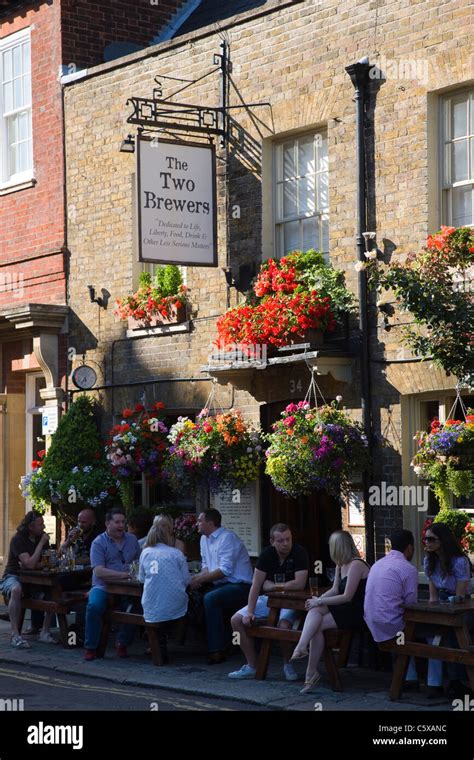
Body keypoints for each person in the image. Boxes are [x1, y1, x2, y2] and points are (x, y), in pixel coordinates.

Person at [291, 530, 370, 693]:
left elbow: (347, 596)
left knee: (316, 616)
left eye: (331, 546)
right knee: (315, 617)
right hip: (343, 608)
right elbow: (334, 589)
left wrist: (319, 601)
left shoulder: (356, 564)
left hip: (357, 611)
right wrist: (317, 600)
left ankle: (302, 650)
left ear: (338, 547)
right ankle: (309, 667)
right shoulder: (341, 564)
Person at [228, 523, 309, 681]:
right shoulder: (267, 554)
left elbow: (299, 583)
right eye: (281, 540)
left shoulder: (299, 552)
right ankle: (252, 666)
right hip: (269, 600)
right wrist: (250, 612)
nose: (286, 543)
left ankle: (288, 663)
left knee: (283, 624)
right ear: (272, 541)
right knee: (236, 620)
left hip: (292, 600)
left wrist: (273, 586)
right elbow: (257, 585)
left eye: (288, 539)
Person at [188, 509, 253, 663]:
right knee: (191, 596)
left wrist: (200, 580)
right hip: (220, 584)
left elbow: (225, 570)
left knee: (210, 598)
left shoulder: (227, 538)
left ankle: (216, 650)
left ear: (210, 523)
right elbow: (206, 566)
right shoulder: (204, 539)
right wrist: (198, 578)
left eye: (200, 521)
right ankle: (215, 642)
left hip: (240, 585)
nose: (197, 523)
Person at [364, 529, 420, 690]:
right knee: (435, 636)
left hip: (372, 622)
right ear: (409, 548)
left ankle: (411, 678)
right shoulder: (408, 569)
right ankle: (433, 683)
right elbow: (411, 605)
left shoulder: (377, 564)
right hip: (392, 626)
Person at [83, 507, 141, 661]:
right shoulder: (98, 543)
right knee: (94, 606)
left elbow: (139, 562)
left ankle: (122, 642)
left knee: (136, 607)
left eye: (123, 522)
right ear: (107, 524)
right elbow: (99, 571)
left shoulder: (132, 540)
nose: (120, 525)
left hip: (128, 587)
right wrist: (124, 575)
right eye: (117, 522)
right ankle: (91, 647)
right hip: (103, 586)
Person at [423, 521, 472, 698]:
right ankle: (435, 683)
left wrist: (445, 611)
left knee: (450, 635)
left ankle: (455, 682)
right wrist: (432, 614)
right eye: (425, 539)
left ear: (442, 540)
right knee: (431, 634)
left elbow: (460, 599)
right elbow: (433, 597)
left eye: (430, 539)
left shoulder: (460, 562)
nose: (426, 542)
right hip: (441, 607)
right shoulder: (429, 561)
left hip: (460, 606)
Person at [0, 511, 57, 648]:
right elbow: (31, 564)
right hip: (13, 576)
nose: (44, 527)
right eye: (40, 524)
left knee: (54, 591)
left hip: (34, 579)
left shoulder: (40, 539)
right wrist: (41, 546)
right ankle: (15, 635)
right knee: (16, 589)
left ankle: (45, 631)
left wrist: (38, 563)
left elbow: (49, 562)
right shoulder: (18, 540)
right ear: (31, 527)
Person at [139, 521, 190, 623]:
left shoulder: (145, 553)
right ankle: (179, 638)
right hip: (176, 608)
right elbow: (187, 580)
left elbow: (141, 579)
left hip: (152, 608)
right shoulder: (177, 554)